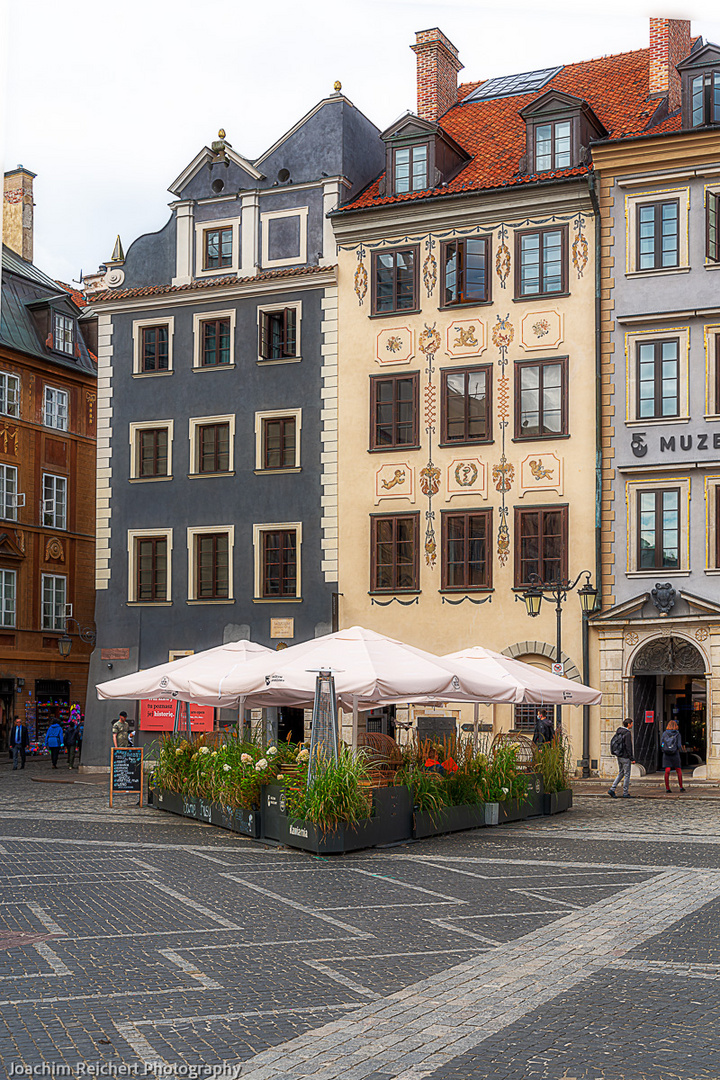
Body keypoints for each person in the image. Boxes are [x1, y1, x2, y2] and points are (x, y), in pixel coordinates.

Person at [608, 718, 634, 799]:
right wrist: (632, 758)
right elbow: (628, 746)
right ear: (629, 724)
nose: (632, 725)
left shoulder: (619, 731)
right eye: (632, 723)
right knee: (627, 774)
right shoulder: (627, 733)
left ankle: (612, 788)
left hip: (619, 755)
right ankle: (625, 792)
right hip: (625, 756)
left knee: (621, 772)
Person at [661, 719, 685, 793]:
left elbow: (662, 743)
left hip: (666, 754)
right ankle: (681, 787)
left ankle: (667, 788)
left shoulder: (664, 733)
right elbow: (678, 745)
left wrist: (664, 749)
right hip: (675, 754)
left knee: (667, 771)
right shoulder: (677, 734)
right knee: (678, 770)